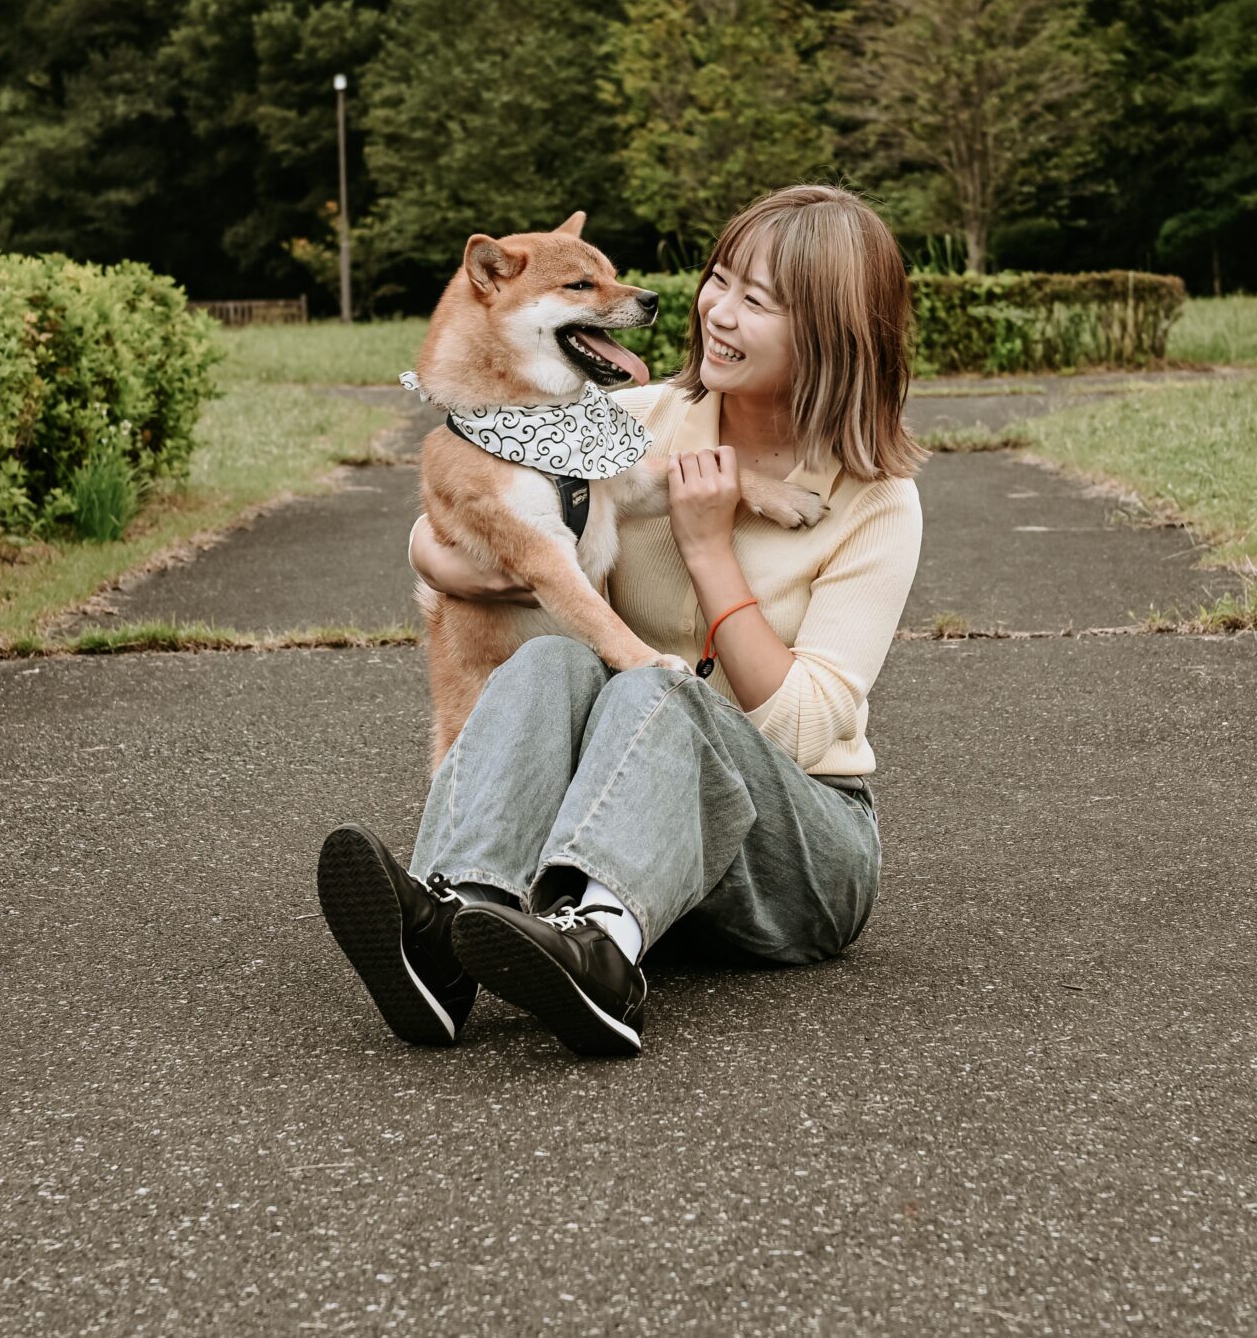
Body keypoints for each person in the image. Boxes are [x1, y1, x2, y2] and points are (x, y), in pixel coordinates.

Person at [315, 185, 926, 1057]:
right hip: (633, 839)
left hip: (801, 854)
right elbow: (460, 506)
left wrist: (710, 552)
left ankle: (602, 958)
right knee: (550, 666)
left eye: (756, 301)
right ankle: (451, 927)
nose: (716, 309)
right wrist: (454, 560)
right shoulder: (625, 416)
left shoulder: (877, 501)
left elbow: (799, 726)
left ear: (831, 331)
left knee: (652, 687)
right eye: (720, 280)